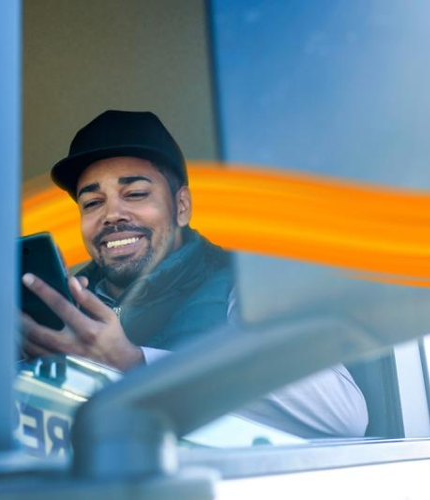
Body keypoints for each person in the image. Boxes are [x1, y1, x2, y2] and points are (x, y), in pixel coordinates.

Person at [21, 109, 368, 437]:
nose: (112, 214)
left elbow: (344, 417)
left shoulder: (244, 285)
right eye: (93, 203)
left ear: (182, 207)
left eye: (136, 193)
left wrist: (138, 366)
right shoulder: (65, 305)